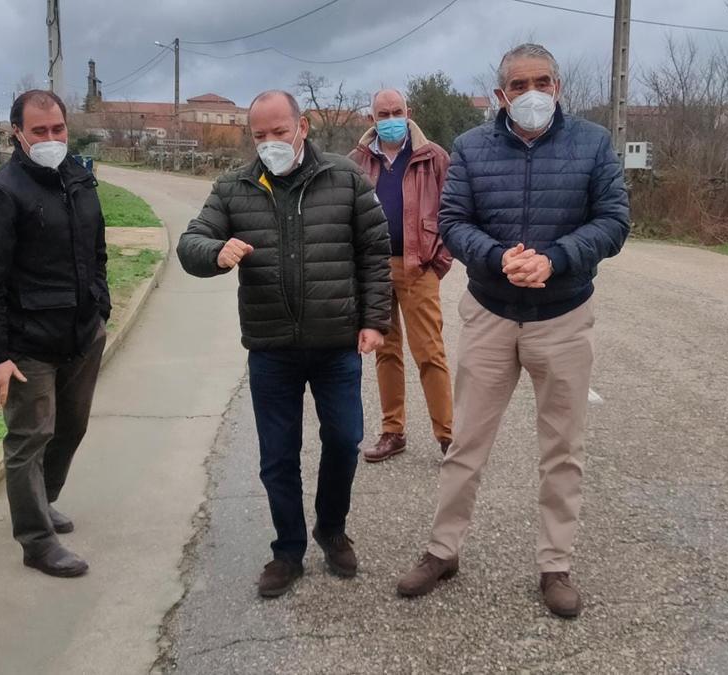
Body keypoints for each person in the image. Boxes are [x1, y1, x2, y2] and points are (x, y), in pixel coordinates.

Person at [395, 44, 630, 618]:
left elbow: (614, 219)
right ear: (501, 95)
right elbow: (452, 222)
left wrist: (556, 258)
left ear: (559, 85)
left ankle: (556, 565)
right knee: (467, 443)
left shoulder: (593, 144)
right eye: (519, 85)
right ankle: (442, 550)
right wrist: (500, 258)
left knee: (563, 450)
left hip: (564, 315)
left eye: (542, 82)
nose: (531, 94)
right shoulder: (471, 149)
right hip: (492, 315)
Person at [178, 90, 391, 598]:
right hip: (272, 348)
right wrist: (216, 250)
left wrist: (375, 321)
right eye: (260, 135)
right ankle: (288, 550)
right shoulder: (235, 187)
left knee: (344, 440)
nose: (271, 142)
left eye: (280, 131)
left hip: (336, 342)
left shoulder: (344, 177)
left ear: (304, 126)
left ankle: (331, 528)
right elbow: (191, 242)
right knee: (278, 455)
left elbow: (374, 251)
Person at [0, 90, 110, 579]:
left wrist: (100, 305)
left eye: (58, 130)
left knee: (72, 427)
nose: (51, 139)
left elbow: (98, 249)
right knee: (30, 437)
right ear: (17, 134)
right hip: (27, 342)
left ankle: (42, 502)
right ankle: (35, 541)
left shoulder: (80, 178)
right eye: (39, 132)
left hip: (82, 334)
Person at [348, 88, 455, 463]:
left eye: (397, 111)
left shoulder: (433, 157)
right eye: (383, 113)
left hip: (418, 268)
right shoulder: (357, 162)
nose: (390, 119)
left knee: (430, 353)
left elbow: (454, 212)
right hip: (374, 271)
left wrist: (438, 261)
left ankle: (448, 437)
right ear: (371, 119)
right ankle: (393, 432)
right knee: (385, 353)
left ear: (408, 112)